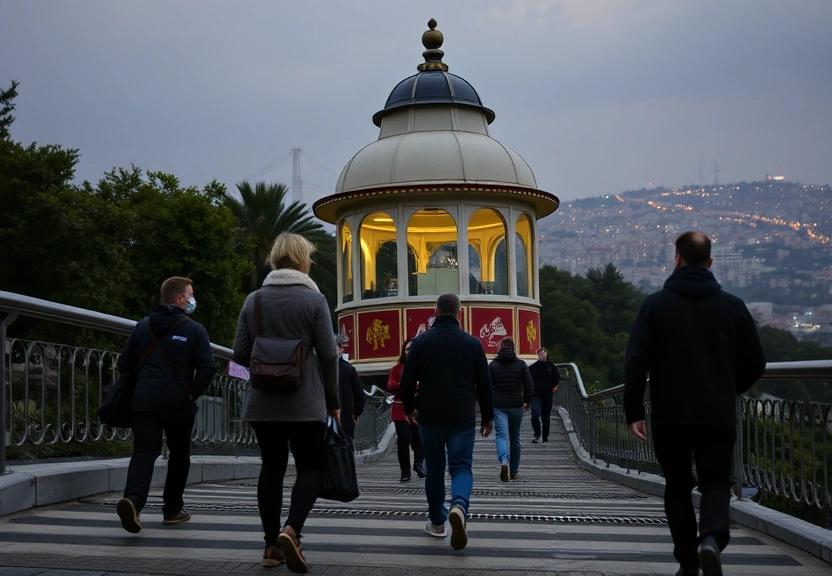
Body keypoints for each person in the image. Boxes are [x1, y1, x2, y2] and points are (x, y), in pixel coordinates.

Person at [624, 231, 766, 576]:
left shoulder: (655, 305)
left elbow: (636, 362)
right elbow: (756, 362)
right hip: (717, 414)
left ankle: (688, 563)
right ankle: (712, 541)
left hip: (670, 416)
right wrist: (727, 389)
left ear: (677, 260)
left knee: (677, 486)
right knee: (717, 482)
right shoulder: (733, 306)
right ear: (710, 262)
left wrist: (634, 412)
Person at [233, 232, 340, 574]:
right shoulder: (315, 301)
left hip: (262, 402)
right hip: (305, 402)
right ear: (302, 260)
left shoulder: (254, 300)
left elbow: (238, 355)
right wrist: (334, 401)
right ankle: (291, 530)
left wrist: (258, 378)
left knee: (272, 468)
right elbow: (328, 354)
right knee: (311, 467)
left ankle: (269, 546)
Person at [116, 276, 217, 534]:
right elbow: (208, 367)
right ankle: (172, 509)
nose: (194, 299)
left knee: (144, 452)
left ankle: (134, 502)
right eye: (191, 294)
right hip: (178, 404)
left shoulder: (142, 326)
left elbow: (124, 365)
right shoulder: (195, 330)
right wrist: (191, 394)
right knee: (179, 455)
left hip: (143, 401)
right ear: (180, 298)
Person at [400, 293, 494, 551]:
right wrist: (487, 416)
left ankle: (438, 522)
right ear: (460, 313)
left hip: (429, 416)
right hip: (462, 416)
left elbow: (407, 381)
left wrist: (409, 409)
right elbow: (485, 384)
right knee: (461, 466)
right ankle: (460, 506)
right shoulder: (472, 344)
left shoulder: (420, 343)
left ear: (436, 312)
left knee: (435, 468)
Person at [489, 338, 533, 481]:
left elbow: (487, 386)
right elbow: (529, 385)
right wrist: (526, 401)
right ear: (514, 348)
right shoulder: (520, 364)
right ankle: (514, 471)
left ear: (501, 348)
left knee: (501, 436)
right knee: (516, 439)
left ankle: (503, 462)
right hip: (516, 405)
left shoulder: (493, 365)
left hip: (499, 405)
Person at [386, 338, 425, 481]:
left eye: (412, 349)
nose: (409, 351)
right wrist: (411, 383)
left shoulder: (423, 367)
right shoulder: (397, 369)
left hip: (419, 408)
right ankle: (405, 472)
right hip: (400, 408)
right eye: (407, 349)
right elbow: (391, 386)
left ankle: (418, 463)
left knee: (420, 439)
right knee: (403, 439)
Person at [336, 334, 365, 449]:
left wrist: (355, 413)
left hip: (343, 420)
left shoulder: (348, 369)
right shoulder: (318, 368)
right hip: (333, 420)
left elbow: (358, 394)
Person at [528, 347, 560, 443]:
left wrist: (554, 385)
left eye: (544, 353)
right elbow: (528, 380)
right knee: (535, 414)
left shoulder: (552, 366)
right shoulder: (532, 368)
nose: (542, 355)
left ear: (546, 354)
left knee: (546, 416)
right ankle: (537, 434)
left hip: (547, 394)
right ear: (538, 355)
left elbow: (557, 377)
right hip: (535, 394)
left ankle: (545, 436)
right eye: (540, 354)